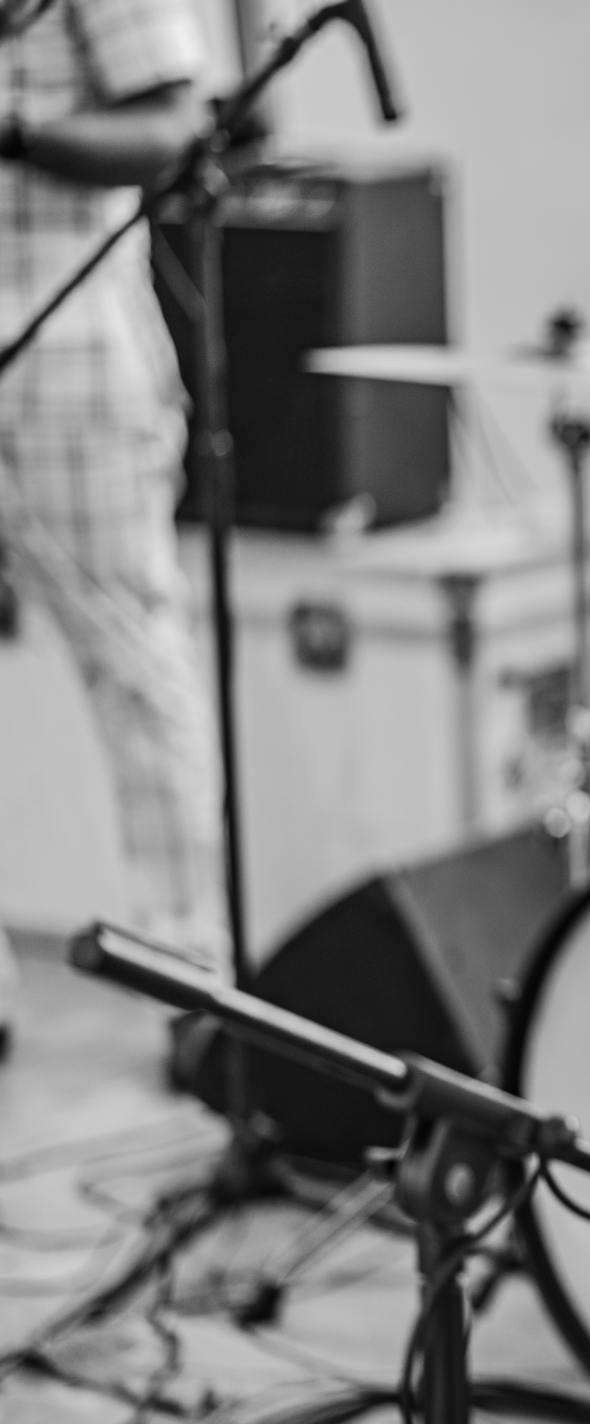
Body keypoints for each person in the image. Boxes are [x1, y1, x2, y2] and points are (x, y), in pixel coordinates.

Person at [0, 0, 227, 1030]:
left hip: (71, 367)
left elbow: (174, 125)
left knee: (135, 675)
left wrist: (15, 131)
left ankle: (193, 987)